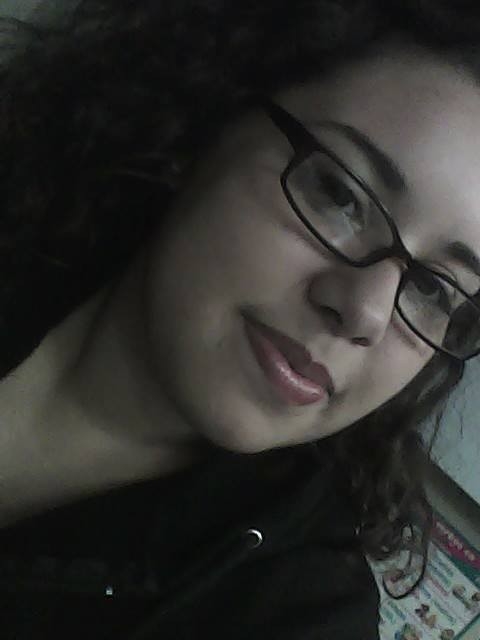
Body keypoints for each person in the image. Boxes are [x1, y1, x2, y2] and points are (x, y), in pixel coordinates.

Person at [0, 0, 480, 638]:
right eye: (340, 194)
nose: (365, 312)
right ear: (217, 112)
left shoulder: (294, 606)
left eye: (433, 289)